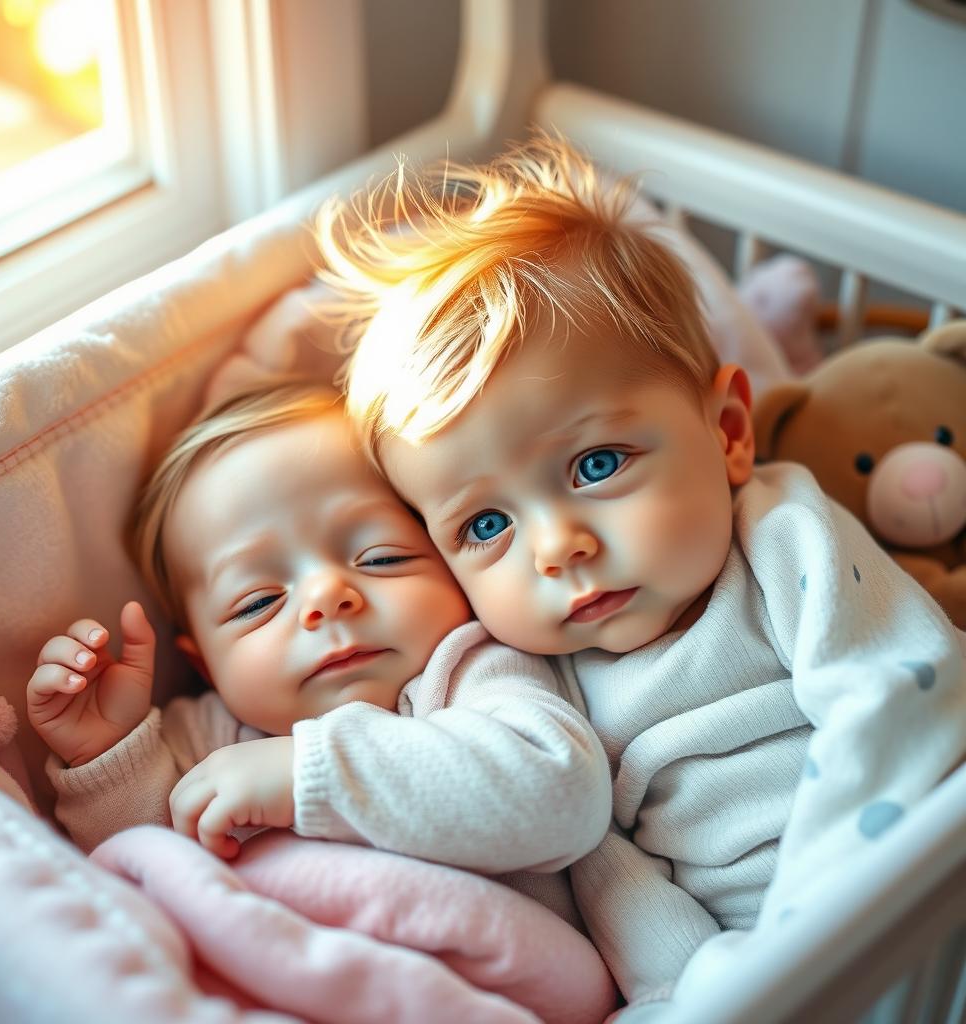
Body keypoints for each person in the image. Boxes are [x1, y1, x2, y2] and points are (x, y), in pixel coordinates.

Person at [317, 137, 966, 1014]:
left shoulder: (780, 532)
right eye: (486, 525)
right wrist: (705, 995)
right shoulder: (540, 693)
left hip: (913, 893)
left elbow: (898, 696)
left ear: (730, 431)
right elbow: (616, 886)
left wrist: (812, 940)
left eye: (595, 466)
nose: (556, 549)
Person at [27, 379, 612, 886]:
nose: (327, 597)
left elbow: (562, 794)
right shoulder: (203, 738)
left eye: (381, 558)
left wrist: (312, 773)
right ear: (206, 665)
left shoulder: (468, 674)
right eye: (257, 602)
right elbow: (149, 873)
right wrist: (108, 754)